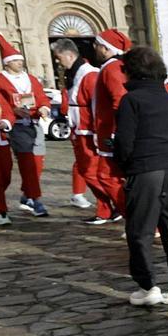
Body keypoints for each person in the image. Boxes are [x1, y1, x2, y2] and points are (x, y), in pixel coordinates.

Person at [113, 46, 168, 308]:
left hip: (146, 171)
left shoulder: (131, 101)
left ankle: (148, 286)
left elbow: (125, 143)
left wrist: (124, 168)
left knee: (140, 231)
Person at [51, 39, 119, 222]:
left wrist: (98, 131)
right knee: (86, 171)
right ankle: (105, 209)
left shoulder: (89, 75)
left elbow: (98, 105)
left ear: (69, 55)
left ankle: (119, 204)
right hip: (79, 129)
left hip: (88, 130)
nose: (57, 61)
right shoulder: (74, 73)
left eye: (58, 57)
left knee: (92, 172)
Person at [0, 32, 52, 217]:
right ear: (7, 63)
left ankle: (27, 194)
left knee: (38, 161)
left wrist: (44, 107)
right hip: (17, 126)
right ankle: (35, 199)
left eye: (21, 60)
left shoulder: (30, 79)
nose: (20, 63)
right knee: (27, 161)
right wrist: (13, 111)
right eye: (16, 60)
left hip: (34, 122)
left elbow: (42, 97)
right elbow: (0, 104)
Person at [90, 28, 133, 224]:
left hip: (111, 133)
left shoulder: (112, 69)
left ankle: (136, 219)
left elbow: (120, 101)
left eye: (97, 45)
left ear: (106, 48)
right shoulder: (112, 67)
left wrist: (117, 132)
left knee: (107, 176)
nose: (94, 48)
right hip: (108, 131)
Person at [0, 70, 16, 226]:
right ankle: (1, 211)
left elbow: (8, 113)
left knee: (6, 173)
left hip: (1, 137)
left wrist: (5, 122)